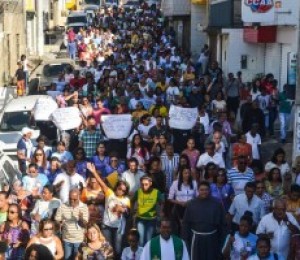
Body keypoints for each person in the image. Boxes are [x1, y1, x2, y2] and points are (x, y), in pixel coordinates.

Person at [87, 163, 130, 258]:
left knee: (118, 249)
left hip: (119, 227)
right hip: (106, 225)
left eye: (124, 190)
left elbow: (127, 211)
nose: (121, 191)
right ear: (116, 187)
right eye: (119, 189)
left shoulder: (126, 199)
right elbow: (101, 182)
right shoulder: (109, 193)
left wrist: (123, 209)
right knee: (108, 248)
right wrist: (94, 172)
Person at [182, 181, 226, 259]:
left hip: (212, 238)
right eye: (202, 190)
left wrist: (221, 239)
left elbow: (222, 224)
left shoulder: (217, 204)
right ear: (198, 190)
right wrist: (185, 238)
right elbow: (186, 223)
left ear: (209, 190)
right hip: (196, 239)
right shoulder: (191, 204)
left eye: (206, 189)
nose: (204, 192)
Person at [55, 189, 89, 260]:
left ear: (79, 197)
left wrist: (81, 219)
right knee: (67, 258)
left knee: (79, 258)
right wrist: (60, 223)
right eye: (70, 199)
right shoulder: (62, 206)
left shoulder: (84, 207)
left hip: (79, 240)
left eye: (75, 199)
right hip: (66, 239)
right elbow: (57, 220)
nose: (72, 201)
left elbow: (84, 225)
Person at [133, 176, 164, 246]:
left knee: (148, 240)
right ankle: (141, 256)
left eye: (146, 184)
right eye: (142, 184)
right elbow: (132, 200)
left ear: (150, 184)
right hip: (140, 219)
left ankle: (147, 255)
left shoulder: (156, 192)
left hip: (151, 220)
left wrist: (161, 211)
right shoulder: (138, 192)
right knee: (140, 241)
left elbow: (162, 202)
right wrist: (133, 211)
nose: (144, 186)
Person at [168, 167, 197, 235]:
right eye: (185, 173)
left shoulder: (194, 183)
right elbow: (170, 198)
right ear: (181, 174)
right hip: (178, 208)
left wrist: (189, 202)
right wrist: (180, 202)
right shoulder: (175, 183)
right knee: (178, 228)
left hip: (191, 208)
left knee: (188, 228)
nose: (187, 175)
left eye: (189, 173)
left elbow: (197, 196)